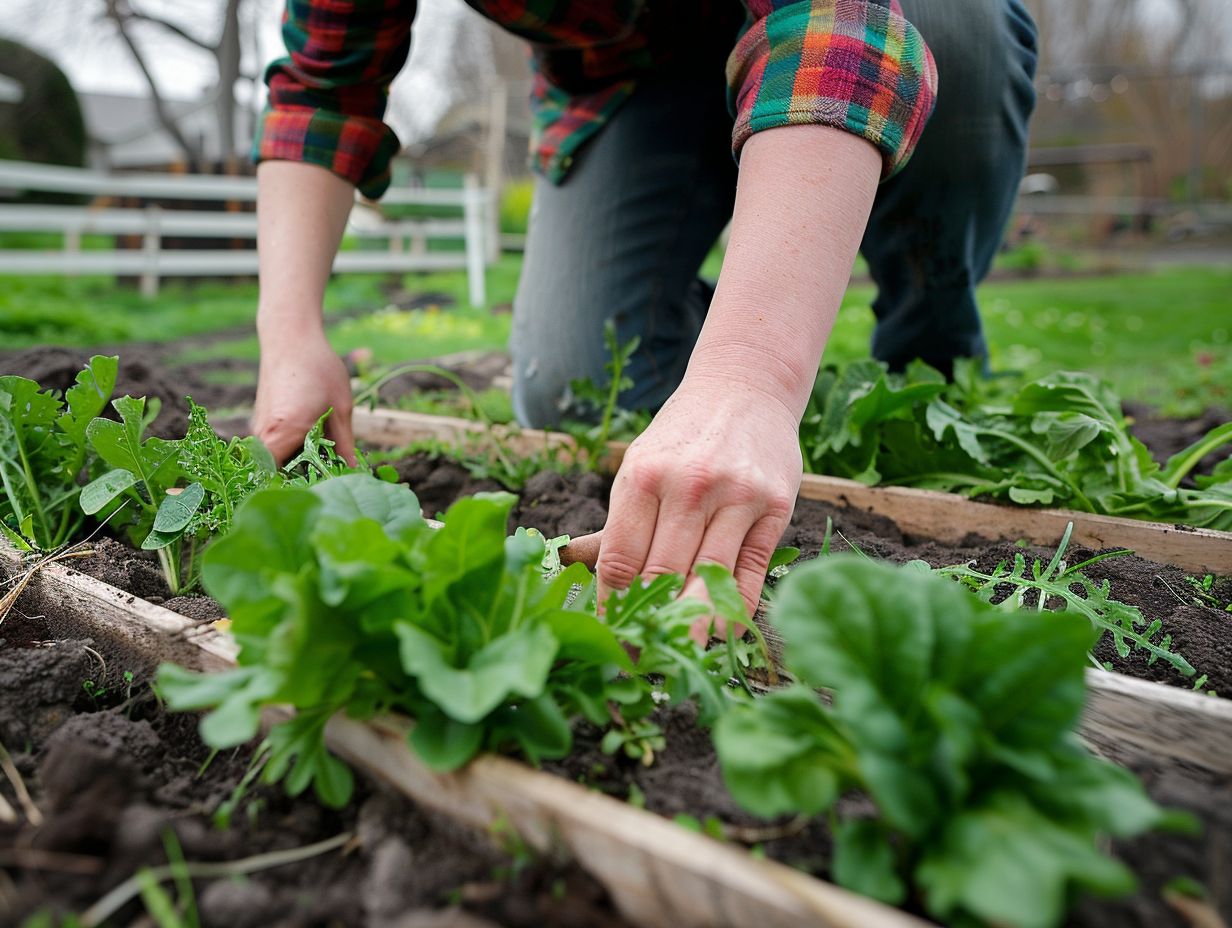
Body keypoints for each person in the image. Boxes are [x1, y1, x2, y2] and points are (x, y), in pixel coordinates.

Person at [251, 0, 1038, 635]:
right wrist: (289, 336)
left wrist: (753, 376)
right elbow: (324, 87)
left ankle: (923, 369)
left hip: (865, 20)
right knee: (577, 386)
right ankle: (728, 401)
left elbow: (837, 23)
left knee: (958, 28)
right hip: (628, 77)